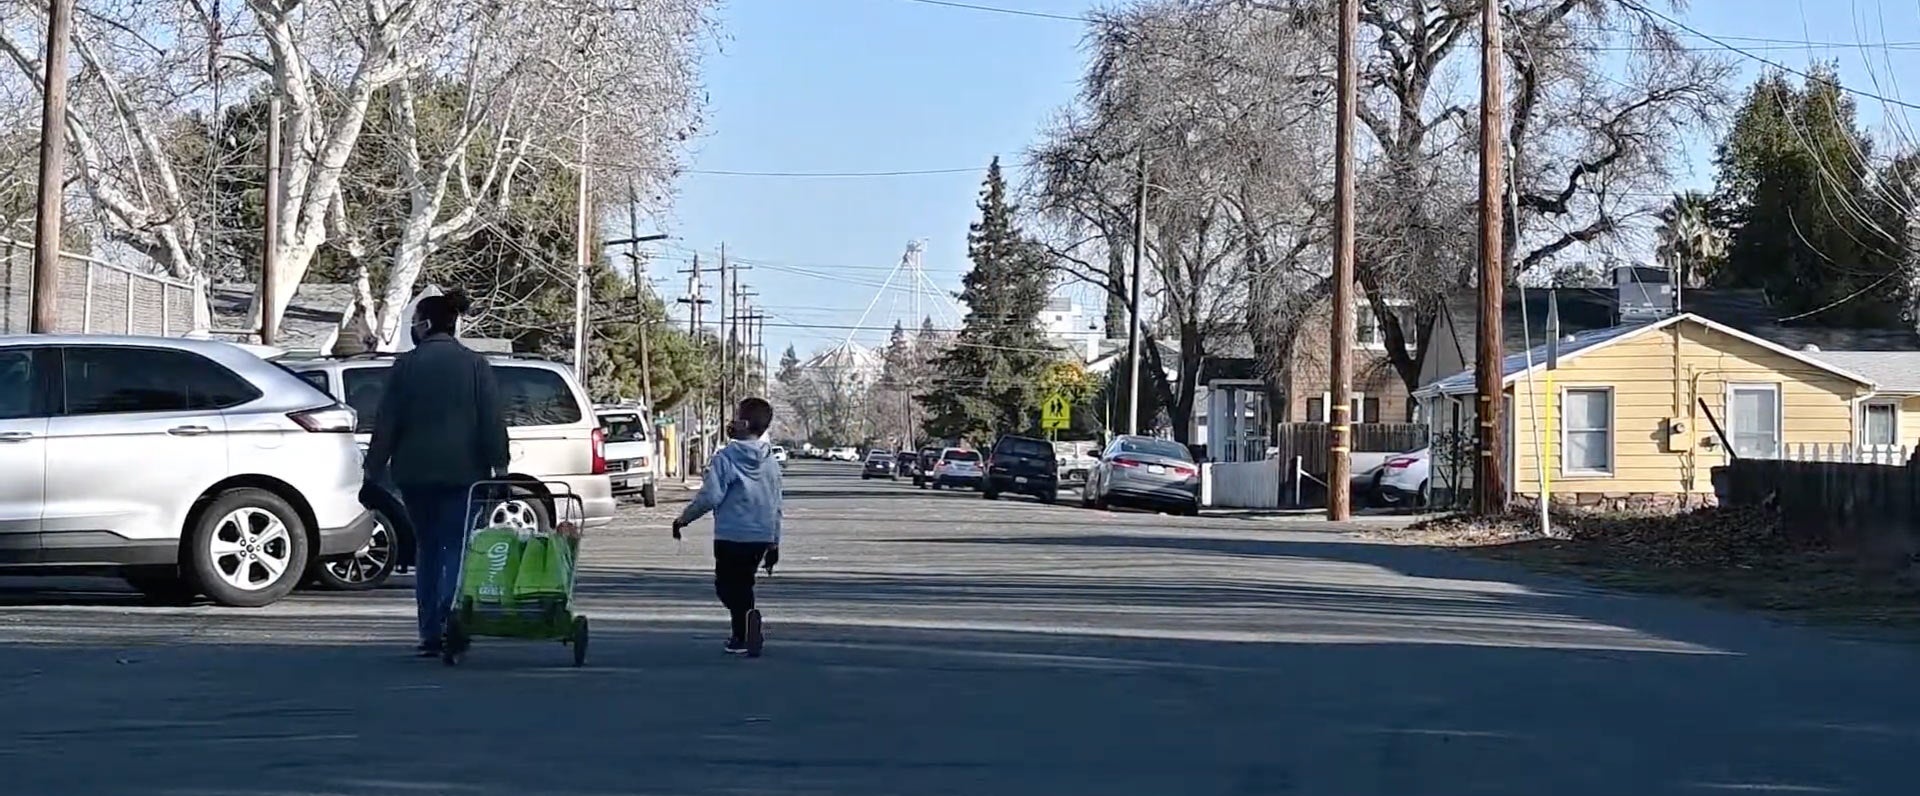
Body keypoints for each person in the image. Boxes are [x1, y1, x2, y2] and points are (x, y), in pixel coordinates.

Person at [362, 290, 509, 656]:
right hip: (465, 474)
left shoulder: (405, 366)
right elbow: (492, 421)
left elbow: (387, 423)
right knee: (457, 546)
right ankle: (451, 615)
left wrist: (373, 470)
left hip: (414, 474)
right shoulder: (476, 366)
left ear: (424, 325)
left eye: (414, 322)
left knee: (427, 548)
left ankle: (429, 632)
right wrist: (500, 467)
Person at [671, 397, 783, 657]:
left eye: (735, 417)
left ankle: (743, 630)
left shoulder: (726, 458)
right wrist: (775, 541)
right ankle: (744, 628)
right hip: (761, 535)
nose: (731, 422)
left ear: (744, 423)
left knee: (726, 586)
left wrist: (683, 519)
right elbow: (777, 502)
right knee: (744, 583)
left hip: (731, 534)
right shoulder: (771, 462)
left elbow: (710, 497)